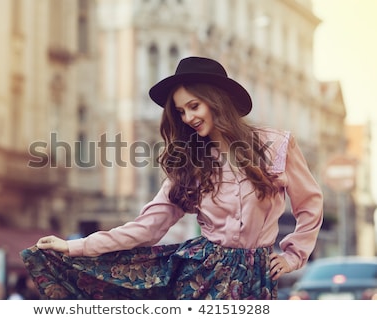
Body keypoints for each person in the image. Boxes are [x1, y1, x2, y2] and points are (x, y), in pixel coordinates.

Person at [20, 56, 323, 300]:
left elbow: (310, 203)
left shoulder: (275, 146)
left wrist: (293, 256)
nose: (188, 118)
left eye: (194, 106)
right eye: (181, 111)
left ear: (216, 100)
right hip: (200, 280)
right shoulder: (188, 164)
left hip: (258, 281)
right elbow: (147, 228)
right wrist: (75, 247)